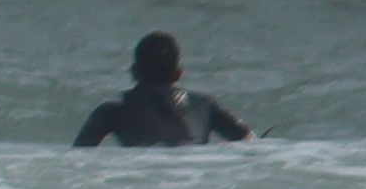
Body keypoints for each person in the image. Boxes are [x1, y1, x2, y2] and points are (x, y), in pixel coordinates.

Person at [75, 31, 251, 147]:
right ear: (178, 74)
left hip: (150, 180)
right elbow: (251, 144)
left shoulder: (112, 109)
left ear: (134, 71)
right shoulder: (205, 104)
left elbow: (78, 157)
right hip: (193, 178)